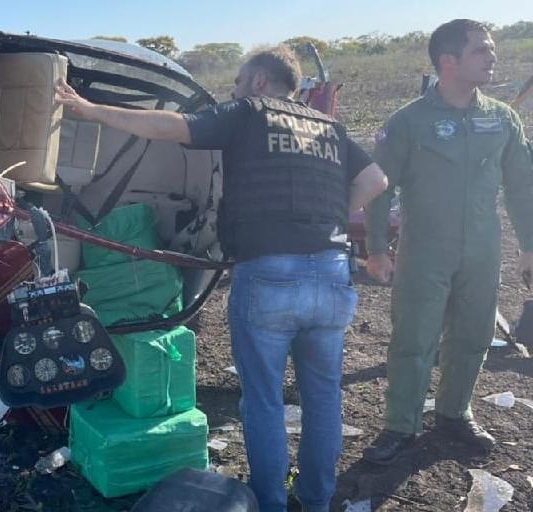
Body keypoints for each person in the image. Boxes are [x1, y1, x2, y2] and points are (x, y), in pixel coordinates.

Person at [57, 47, 387, 512]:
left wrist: (90, 111)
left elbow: (171, 127)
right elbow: (376, 180)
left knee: (266, 400)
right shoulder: (329, 127)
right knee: (324, 397)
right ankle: (316, 501)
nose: (232, 89)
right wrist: (331, 217)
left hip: (270, 273)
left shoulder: (248, 112)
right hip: (332, 273)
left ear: (257, 81)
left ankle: (271, 503)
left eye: (236, 81)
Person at [362, 19, 533, 464]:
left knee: (474, 336)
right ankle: (400, 425)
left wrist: (529, 244)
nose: (492, 56)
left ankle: (454, 414)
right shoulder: (408, 121)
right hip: (424, 251)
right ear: (448, 61)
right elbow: (380, 187)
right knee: (414, 340)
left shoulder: (502, 117)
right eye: (481, 50)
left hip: (483, 250)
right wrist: (376, 248)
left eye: (492, 49)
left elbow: (522, 185)